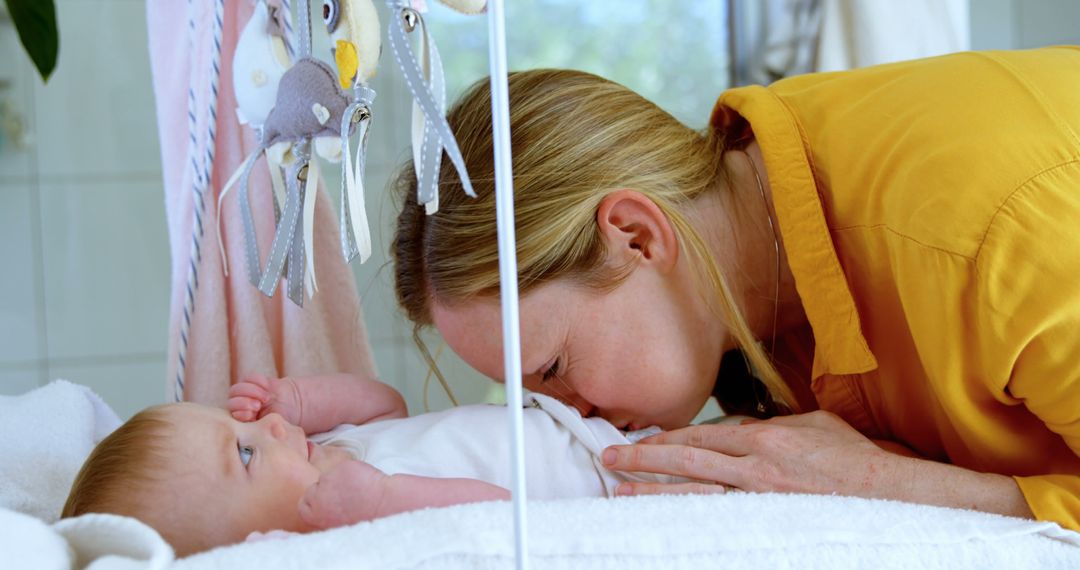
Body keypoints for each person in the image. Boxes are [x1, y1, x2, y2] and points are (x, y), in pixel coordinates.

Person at [390, 46, 1080, 531]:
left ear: (635, 235)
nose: (569, 414)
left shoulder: (993, 241)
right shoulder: (752, 281)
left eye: (555, 370)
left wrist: (892, 487)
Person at [61, 373, 681, 556]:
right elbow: (496, 521)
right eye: (247, 451)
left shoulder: (330, 451)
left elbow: (391, 405)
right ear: (248, 546)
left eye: (243, 424)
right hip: (612, 488)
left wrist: (304, 400)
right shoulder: (358, 534)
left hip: (590, 429)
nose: (271, 426)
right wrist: (385, 502)